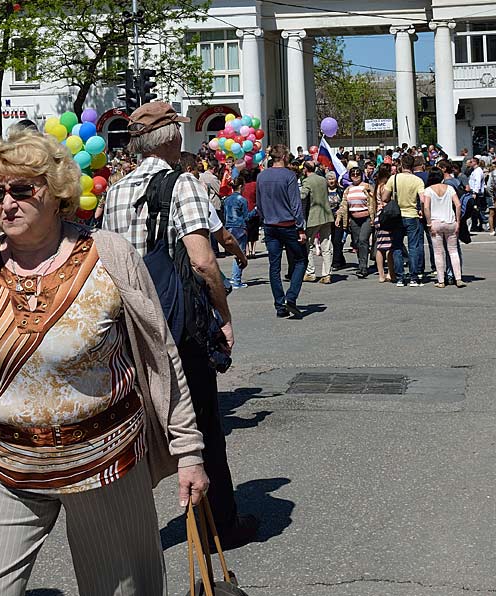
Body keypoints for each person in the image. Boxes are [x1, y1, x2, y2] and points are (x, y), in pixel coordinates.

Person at [0, 130, 209, 595]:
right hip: (7, 465)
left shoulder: (109, 255)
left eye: (22, 189)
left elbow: (162, 357)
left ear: (56, 190)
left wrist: (189, 451)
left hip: (105, 463)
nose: (6, 204)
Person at [103, 102, 257, 547]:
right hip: (178, 323)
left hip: (130, 321)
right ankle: (218, 526)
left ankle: (131, 529)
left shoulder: (115, 190)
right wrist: (224, 317)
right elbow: (203, 260)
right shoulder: (183, 183)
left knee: (141, 426)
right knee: (201, 422)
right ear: (171, 137)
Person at [256, 144, 307, 319]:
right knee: (300, 260)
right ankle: (291, 297)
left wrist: (265, 219)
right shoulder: (289, 175)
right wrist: (300, 227)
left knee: (274, 266)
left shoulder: (262, 176)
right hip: (288, 225)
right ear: (284, 157)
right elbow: (295, 204)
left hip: (270, 225)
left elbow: (259, 204)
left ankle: (279, 304)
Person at [381, 153, 426, 287]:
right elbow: (423, 199)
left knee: (397, 247)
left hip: (396, 216)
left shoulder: (394, 178)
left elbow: (384, 198)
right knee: (413, 247)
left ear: (401, 164)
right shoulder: (417, 180)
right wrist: (422, 210)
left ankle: (400, 277)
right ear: (413, 165)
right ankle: (413, 277)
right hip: (412, 215)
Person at [422, 166, 465, 288]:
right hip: (450, 221)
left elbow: (426, 207)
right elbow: (458, 204)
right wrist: (458, 221)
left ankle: (441, 280)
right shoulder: (450, 188)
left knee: (438, 252)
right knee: (453, 251)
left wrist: (429, 222)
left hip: (436, 222)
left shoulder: (428, 190)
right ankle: (458, 278)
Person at [335, 166, 375, 279]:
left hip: (366, 218)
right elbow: (343, 205)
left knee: (363, 240)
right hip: (354, 219)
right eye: (353, 174)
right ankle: (361, 264)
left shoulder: (367, 187)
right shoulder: (348, 189)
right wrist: (339, 217)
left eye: (358, 174)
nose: (355, 176)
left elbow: (375, 200)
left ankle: (363, 268)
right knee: (357, 242)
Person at [300, 161, 334, 284]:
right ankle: (327, 274)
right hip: (326, 214)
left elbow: (303, 196)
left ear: (305, 169)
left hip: (313, 216)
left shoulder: (307, 181)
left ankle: (310, 272)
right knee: (326, 245)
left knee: (308, 245)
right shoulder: (322, 179)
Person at [372, 164, 396, 283]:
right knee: (389, 248)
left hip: (379, 215)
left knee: (380, 246)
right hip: (386, 216)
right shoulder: (385, 186)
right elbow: (386, 200)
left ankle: (382, 274)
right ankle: (390, 273)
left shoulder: (377, 185)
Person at [467, 157, 486, 231]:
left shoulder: (478, 171)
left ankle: (479, 224)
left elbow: (477, 182)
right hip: (474, 192)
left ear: (475, 162)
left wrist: (475, 192)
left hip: (476, 193)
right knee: (476, 210)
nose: (470, 163)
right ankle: (477, 225)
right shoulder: (474, 170)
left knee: (476, 209)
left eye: (471, 162)